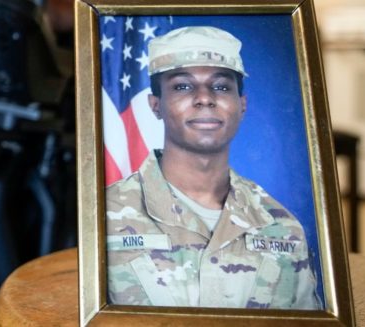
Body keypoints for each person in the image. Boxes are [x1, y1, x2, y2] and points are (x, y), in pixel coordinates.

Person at [106, 26, 322, 309]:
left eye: (221, 86)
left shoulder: (282, 226)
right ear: (155, 105)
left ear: (241, 104)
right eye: (183, 86)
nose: (205, 98)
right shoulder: (104, 216)